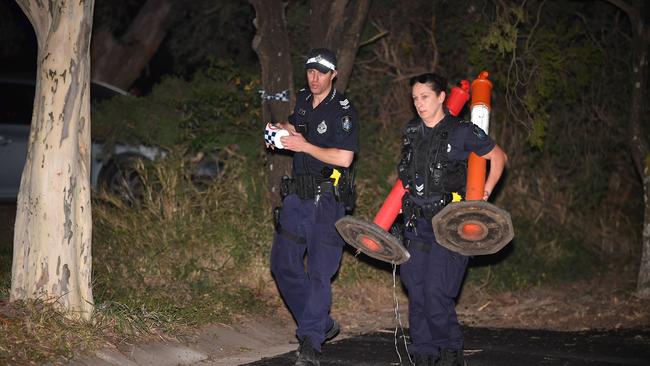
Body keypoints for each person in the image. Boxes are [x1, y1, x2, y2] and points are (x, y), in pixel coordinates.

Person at [397, 73, 507, 366]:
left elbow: (498, 157)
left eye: (425, 97)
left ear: (442, 97)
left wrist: (486, 190)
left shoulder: (462, 130)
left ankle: (450, 351)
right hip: (416, 224)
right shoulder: (411, 131)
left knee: (436, 290)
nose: (419, 104)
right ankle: (424, 353)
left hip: (449, 225)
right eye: (415, 98)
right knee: (416, 289)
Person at [268, 48, 359, 366]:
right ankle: (321, 323)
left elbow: (344, 158)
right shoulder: (305, 100)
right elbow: (297, 125)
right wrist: (283, 130)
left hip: (326, 201)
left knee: (320, 272)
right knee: (282, 264)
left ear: (333, 74)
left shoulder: (343, 110)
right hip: (296, 198)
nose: (314, 78)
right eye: (310, 71)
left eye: (321, 73)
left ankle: (310, 342)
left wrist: (305, 145)